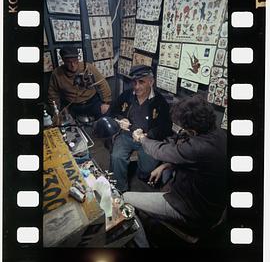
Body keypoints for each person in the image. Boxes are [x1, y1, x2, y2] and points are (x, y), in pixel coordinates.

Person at [124, 94, 226, 243]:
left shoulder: (198, 147)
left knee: (125, 199)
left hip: (194, 212)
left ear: (192, 130)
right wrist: (166, 165)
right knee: (165, 176)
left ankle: (142, 245)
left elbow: (160, 151)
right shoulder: (219, 135)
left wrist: (141, 138)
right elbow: (195, 160)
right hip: (211, 204)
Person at [110, 65, 172, 192]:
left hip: (148, 139)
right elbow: (112, 112)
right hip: (127, 135)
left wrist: (148, 135)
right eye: (134, 82)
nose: (136, 86)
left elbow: (166, 127)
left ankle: (142, 173)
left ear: (151, 82)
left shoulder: (160, 102)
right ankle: (120, 190)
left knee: (147, 169)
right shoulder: (126, 95)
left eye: (141, 82)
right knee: (116, 157)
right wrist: (120, 119)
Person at [48, 46, 112, 119]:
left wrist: (106, 102)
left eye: (75, 61)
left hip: (92, 102)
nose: (73, 65)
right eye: (69, 62)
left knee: (106, 118)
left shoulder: (88, 67)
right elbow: (53, 94)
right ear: (63, 60)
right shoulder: (56, 74)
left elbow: (102, 83)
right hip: (73, 106)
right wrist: (56, 111)